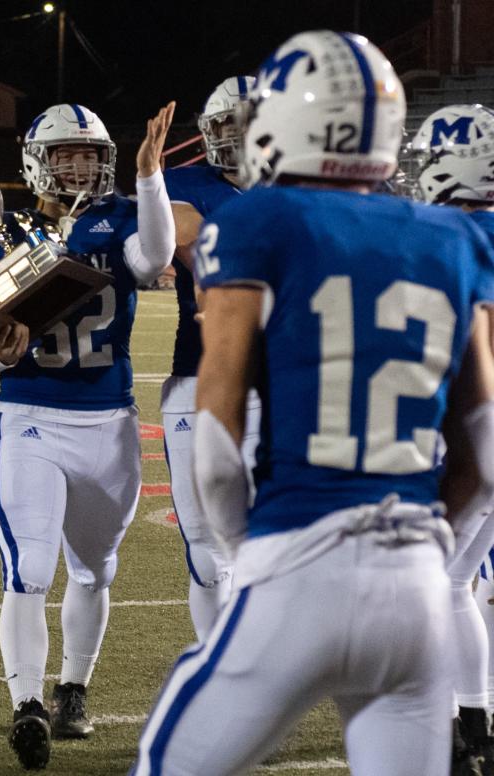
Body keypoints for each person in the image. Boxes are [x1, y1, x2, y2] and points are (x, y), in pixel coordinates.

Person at [132, 31, 494, 776]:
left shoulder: (258, 221)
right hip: (418, 596)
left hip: (300, 565)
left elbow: (219, 443)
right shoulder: (454, 236)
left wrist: (250, 554)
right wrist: (425, 542)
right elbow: (485, 452)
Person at [0, 101, 175, 769]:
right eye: (68, 155)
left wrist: (149, 176)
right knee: (28, 569)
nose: (83, 165)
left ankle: (73, 689)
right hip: (29, 419)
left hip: (108, 423)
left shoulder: (119, 222)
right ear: (37, 163)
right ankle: (27, 704)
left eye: (92, 154)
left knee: (95, 568)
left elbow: (159, 257)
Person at [160, 76, 261, 641]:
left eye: (248, 121)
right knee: (203, 542)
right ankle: (219, 663)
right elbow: (196, 253)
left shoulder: (296, 187)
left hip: (278, 380)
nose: (238, 134)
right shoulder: (184, 183)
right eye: (227, 122)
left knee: (267, 536)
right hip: (198, 372)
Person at [411, 103, 494, 772]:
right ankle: (475, 720)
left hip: (476, 431)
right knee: (458, 579)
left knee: (424, 584)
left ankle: (439, 728)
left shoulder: (459, 240)